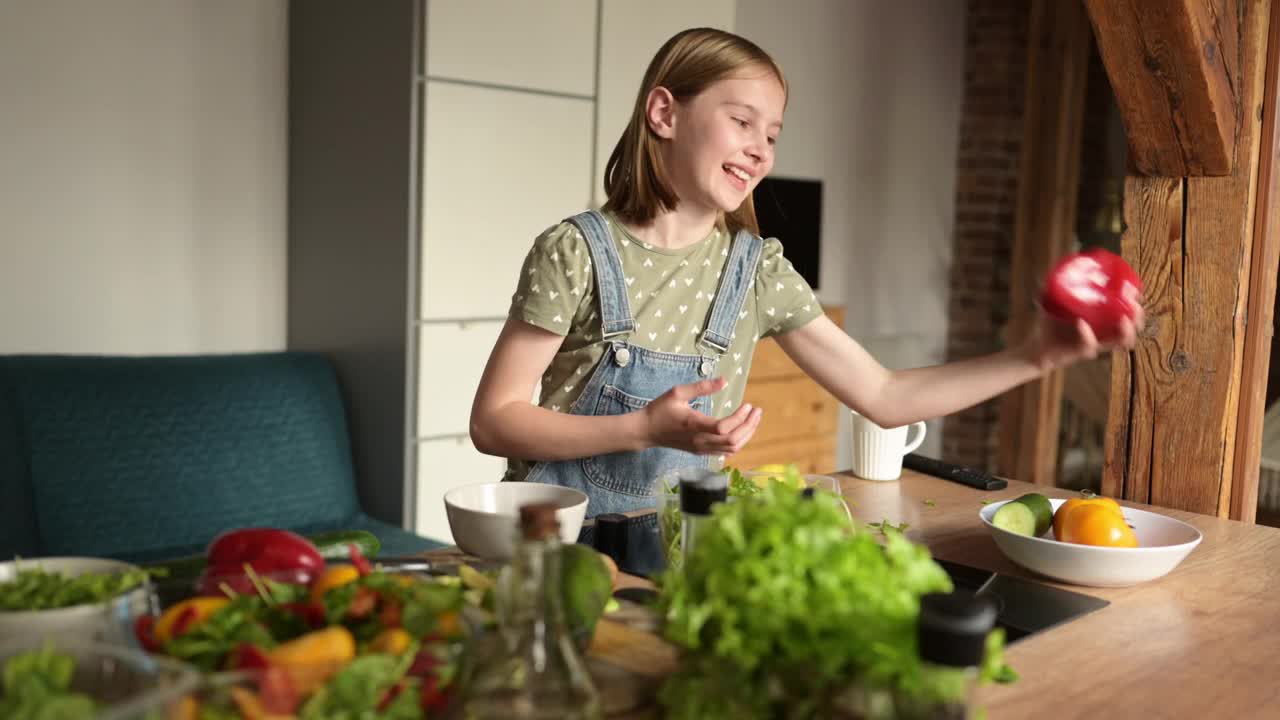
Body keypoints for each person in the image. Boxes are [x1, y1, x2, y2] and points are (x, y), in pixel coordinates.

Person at [469, 27, 1141, 518]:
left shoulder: (758, 273)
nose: (760, 148)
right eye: (742, 122)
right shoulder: (576, 251)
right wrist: (640, 429)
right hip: (552, 548)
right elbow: (495, 420)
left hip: (683, 549)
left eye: (773, 134)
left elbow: (884, 395)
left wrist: (1036, 355)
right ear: (665, 113)